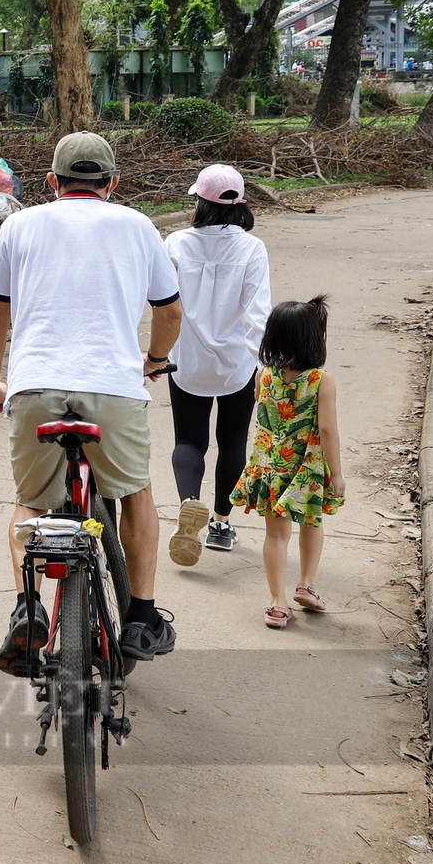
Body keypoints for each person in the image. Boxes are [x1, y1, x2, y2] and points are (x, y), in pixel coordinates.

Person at [0, 131, 184, 677]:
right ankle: (140, 615)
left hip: (36, 388)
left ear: (51, 182)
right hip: (113, 389)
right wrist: (155, 362)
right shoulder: (139, 226)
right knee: (137, 492)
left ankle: (29, 607)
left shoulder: (18, 225)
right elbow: (170, 313)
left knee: (29, 501)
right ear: (112, 183)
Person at [164, 164, 272, 565]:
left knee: (189, 441)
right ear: (239, 203)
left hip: (186, 360)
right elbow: (258, 313)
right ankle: (222, 524)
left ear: (199, 201)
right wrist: (264, 364)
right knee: (232, 442)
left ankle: (188, 503)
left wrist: (158, 354)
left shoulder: (175, 243)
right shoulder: (251, 248)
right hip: (236, 365)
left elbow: (163, 305)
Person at [231, 296, 343, 629]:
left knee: (276, 536)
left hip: (269, 467)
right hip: (306, 468)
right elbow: (327, 428)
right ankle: (306, 584)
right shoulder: (321, 381)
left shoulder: (263, 375)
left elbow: (265, 409)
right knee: (312, 523)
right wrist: (336, 473)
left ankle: (277, 603)